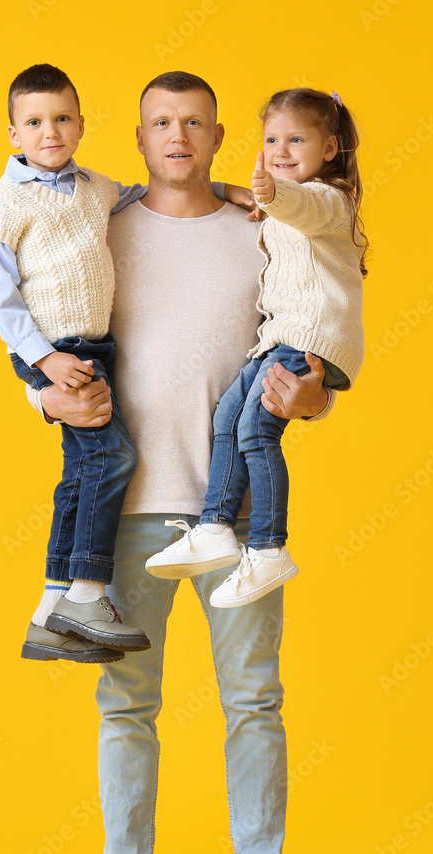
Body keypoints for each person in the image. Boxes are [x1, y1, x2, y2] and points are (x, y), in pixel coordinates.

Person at [26, 72, 335, 854]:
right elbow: (56, 335)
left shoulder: (262, 230)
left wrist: (303, 397)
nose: (177, 136)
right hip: (122, 516)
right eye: (161, 121)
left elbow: (308, 360)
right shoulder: (102, 227)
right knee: (124, 704)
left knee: (254, 700)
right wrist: (45, 400)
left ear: (217, 133)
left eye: (193, 122)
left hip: (235, 514)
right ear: (136, 136)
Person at [0, 64, 237, 662]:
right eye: (35, 122)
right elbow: (0, 300)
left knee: (80, 473)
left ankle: (49, 606)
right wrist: (43, 371)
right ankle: (88, 591)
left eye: (62, 118)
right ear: (13, 134)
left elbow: (155, 192)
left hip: (98, 353)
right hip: (56, 351)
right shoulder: (3, 205)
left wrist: (230, 191)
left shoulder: (98, 192)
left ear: (82, 125)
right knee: (111, 456)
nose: (50, 132)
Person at [146, 88, 367, 608]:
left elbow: (302, 204)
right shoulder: (279, 205)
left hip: (311, 337)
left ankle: (269, 547)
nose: (282, 149)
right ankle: (216, 525)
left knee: (256, 428)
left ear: (329, 149)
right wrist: (237, 191)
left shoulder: (329, 201)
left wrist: (269, 193)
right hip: (281, 338)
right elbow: (279, 206)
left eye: (297, 139)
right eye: (271, 139)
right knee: (229, 413)